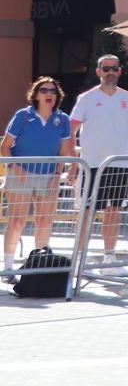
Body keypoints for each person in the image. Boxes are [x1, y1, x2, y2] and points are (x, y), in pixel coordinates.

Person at [69, 54, 128, 278]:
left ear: (120, 71)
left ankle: (109, 259)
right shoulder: (86, 98)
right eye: (106, 68)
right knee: (87, 212)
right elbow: (71, 131)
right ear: (98, 72)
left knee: (114, 211)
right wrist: (73, 163)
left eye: (114, 68)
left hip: (119, 164)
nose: (110, 71)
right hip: (91, 164)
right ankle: (80, 260)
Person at [1, 77, 75, 272]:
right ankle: (8, 268)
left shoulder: (63, 119)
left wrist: (57, 175)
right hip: (20, 174)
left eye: (53, 90)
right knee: (17, 220)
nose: (49, 93)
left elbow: (63, 151)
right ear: (35, 94)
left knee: (45, 219)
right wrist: (18, 170)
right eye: (44, 90)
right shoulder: (23, 116)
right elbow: (5, 147)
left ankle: (39, 266)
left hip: (48, 176)